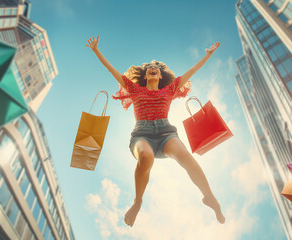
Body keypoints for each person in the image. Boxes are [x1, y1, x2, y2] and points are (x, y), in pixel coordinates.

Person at [86, 36, 225, 227]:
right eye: (150, 68)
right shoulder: (134, 89)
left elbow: (193, 70)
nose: (153, 68)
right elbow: (112, 71)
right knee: (146, 156)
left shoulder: (170, 89)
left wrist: (208, 55)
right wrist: (96, 51)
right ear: (145, 76)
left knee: (185, 156)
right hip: (141, 135)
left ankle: (210, 197)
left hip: (166, 134)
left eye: (157, 69)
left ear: (160, 76)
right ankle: (138, 201)